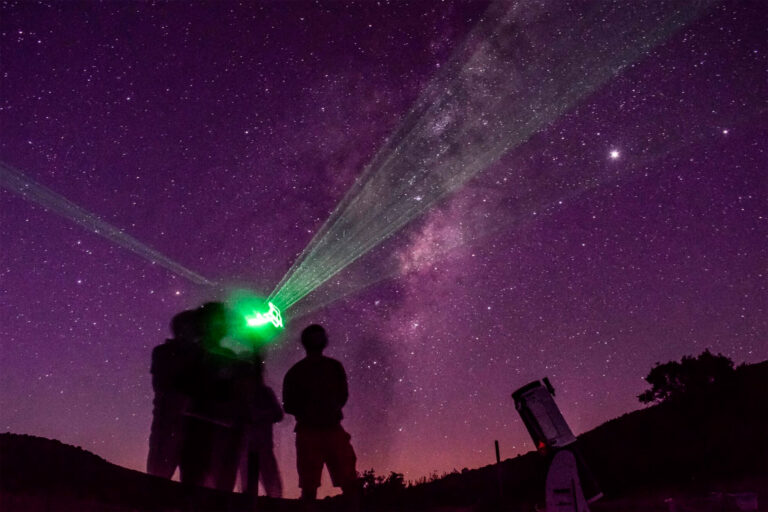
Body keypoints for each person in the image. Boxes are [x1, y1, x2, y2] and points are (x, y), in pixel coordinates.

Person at [282, 324, 359, 502]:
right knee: (321, 485)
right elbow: (342, 395)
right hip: (316, 431)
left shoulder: (298, 371)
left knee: (342, 483)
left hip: (320, 431)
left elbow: (289, 405)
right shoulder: (330, 367)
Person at [181, 302, 250, 491]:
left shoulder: (226, 355)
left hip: (222, 425)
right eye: (218, 320)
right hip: (200, 423)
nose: (223, 324)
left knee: (220, 485)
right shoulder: (190, 353)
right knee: (196, 482)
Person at [147, 309, 200, 479]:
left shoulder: (165, 352)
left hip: (187, 423)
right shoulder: (164, 352)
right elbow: (165, 384)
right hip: (169, 421)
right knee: (160, 473)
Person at [240, 355, 284, 499]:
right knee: (250, 488)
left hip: (262, 447)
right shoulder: (241, 394)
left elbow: (278, 414)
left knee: (272, 487)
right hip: (247, 447)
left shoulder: (264, 392)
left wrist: (258, 415)